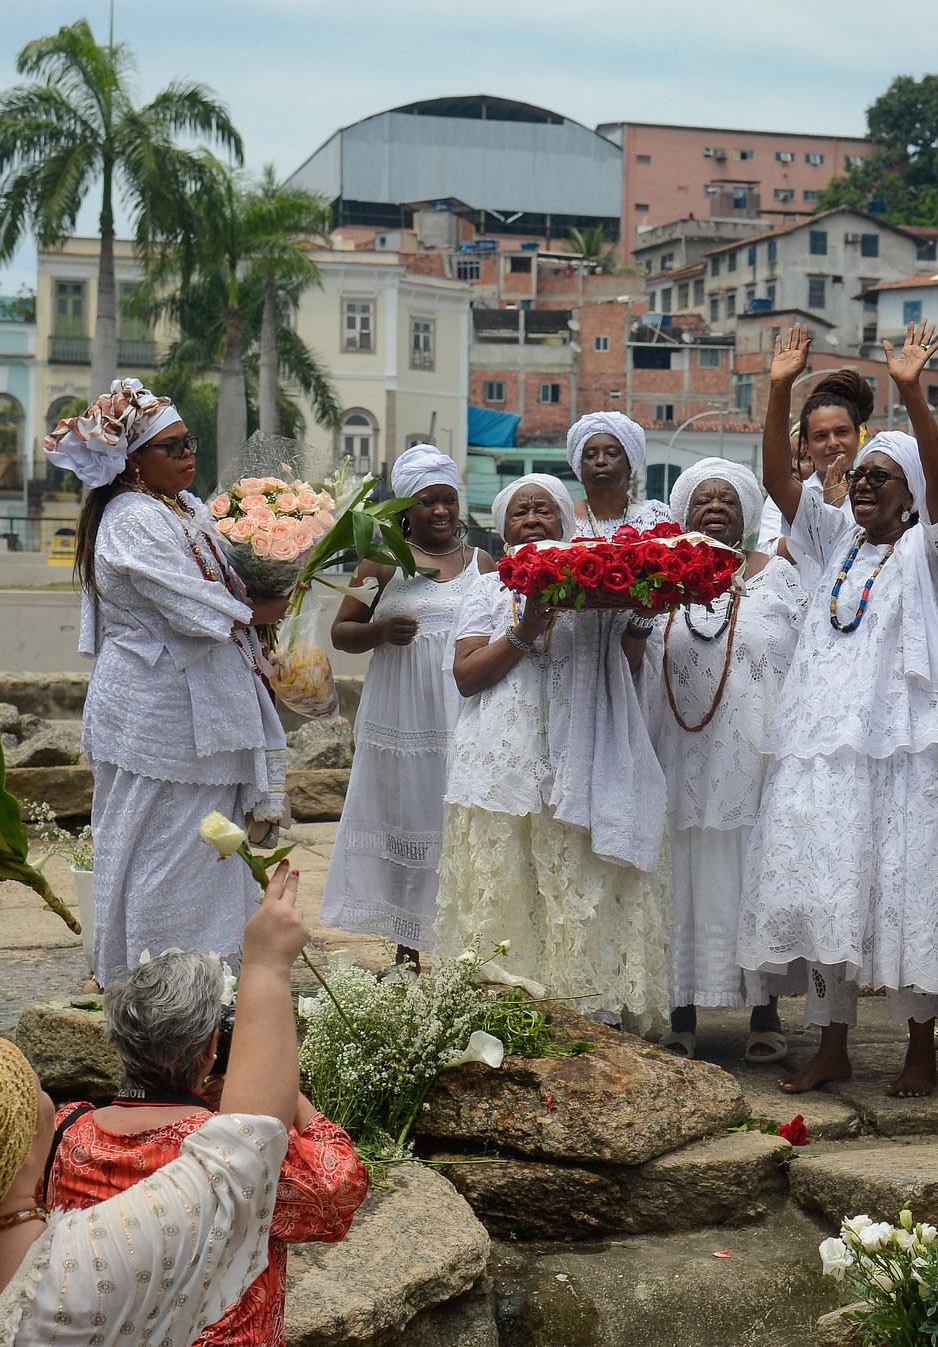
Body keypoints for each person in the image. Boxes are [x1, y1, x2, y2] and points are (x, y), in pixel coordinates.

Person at [0, 844, 313, 1347]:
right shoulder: (81, 1277)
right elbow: (240, 1158)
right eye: (29, 1081)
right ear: (20, 1147)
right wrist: (269, 967)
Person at [739, 320, 938, 1098]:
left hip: (910, 754)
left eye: (883, 475)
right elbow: (782, 484)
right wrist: (780, 385)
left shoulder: (937, 551)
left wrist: (914, 395)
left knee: (909, 887)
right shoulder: (831, 542)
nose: (864, 483)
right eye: (859, 475)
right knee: (828, 890)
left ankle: (920, 1047)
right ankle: (834, 1044)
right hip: (824, 751)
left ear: (912, 491)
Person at [48, 377, 290, 986]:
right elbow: (184, 603)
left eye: (190, 442)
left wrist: (279, 559)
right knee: (159, 846)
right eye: (174, 446)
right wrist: (253, 612)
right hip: (155, 711)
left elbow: (223, 579)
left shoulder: (184, 506)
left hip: (204, 701)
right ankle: (150, 981)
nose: (190, 455)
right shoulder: (130, 517)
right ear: (133, 461)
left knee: (211, 847)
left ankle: (212, 977)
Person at [435, 473, 672, 1029]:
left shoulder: (602, 582)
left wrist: (641, 612)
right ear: (502, 528)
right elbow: (467, 677)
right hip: (504, 763)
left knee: (578, 879)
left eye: (546, 509)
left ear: (567, 521)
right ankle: (504, 1013)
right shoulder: (489, 589)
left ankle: (589, 1011)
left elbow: (631, 665)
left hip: (583, 758)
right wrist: (530, 624)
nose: (534, 517)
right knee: (510, 882)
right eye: (522, 511)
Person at [44, 950, 368, 1347]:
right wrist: (287, 1091)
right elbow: (340, 1185)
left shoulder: (66, 1131)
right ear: (213, 1044)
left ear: (119, 1040)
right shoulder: (234, 1154)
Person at [648, 458, 805, 1062]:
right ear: (683, 513)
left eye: (729, 501)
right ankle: (680, 1014)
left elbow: (800, 665)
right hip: (676, 753)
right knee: (680, 874)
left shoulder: (779, 579)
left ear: (748, 515)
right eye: (703, 500)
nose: (715, 509)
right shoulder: (657, 577)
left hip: (753, 753)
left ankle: (764, 1014)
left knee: (751, 874)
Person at [322, 445, 494, 968]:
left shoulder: (480, 563)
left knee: (458, 821)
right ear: (403, 510)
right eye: (427, 502)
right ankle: (406, 952)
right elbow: (341, 633)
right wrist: (378, 631)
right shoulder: (381, 562)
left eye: (448, 500)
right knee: (403, 817)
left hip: (459, 714)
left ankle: (470, 951)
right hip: (399, 719)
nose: (441, 511)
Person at [755, 370, 873, 550]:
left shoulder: (877, 493)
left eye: (842, 432)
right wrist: (826, 511)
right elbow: (768, 557)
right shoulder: (788, 498)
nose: (833, 443)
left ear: (858, 436)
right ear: (807, 446)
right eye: (821, 436)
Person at [567, 411, 675, 535]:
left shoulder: (658, 516)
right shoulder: (563, 520)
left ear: (629, 465)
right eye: (591, 455)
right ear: (580, 467)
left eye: (612, 454)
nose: (600, 461)